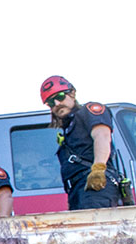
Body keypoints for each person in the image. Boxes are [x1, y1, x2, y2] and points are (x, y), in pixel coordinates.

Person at [39, 74, 123, 210]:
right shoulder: (68, 130)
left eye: (60, 97)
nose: (56, 104)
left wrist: (98, 169)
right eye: (50, 102)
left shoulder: (88, 111)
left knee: (96, 228)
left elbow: (102, 135)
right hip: (78, 191)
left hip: (97, 186)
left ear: (72, 93)